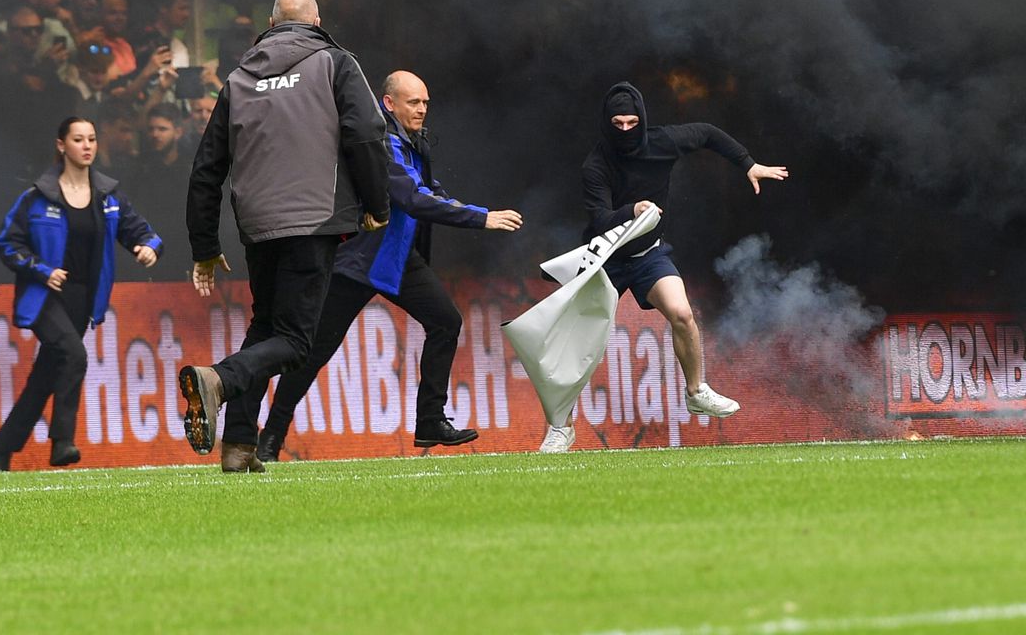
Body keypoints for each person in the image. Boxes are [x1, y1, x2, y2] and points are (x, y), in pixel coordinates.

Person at [256, 70, 524, 463]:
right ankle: (271, 433)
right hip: (358, 261)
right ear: (389, 103)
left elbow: (428, 192)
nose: (422, 109)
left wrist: (464, 208)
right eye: (413, 102)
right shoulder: (382, 140)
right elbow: (411, 199)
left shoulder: (414, 141)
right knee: (313, 352)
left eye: (425, 102)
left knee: (446, 321)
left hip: (397, 258)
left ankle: (430, 420)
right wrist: (479, 216)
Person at [181, 0, 390, 472]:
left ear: (272, 25)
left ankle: (237, 446)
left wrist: (205, 244)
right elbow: (366, 134)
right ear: (317, 22)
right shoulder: (336, 61)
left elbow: (207, 167)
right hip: (313, 219)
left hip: (257, 226)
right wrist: (376, 204)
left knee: (265, 327)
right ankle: (218, 380)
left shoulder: (237, 78)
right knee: (296, 343)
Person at [539, 81, 789, 454]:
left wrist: (748, 164)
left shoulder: (663, 142)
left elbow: (707, 133)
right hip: (604, 259)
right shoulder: (596, 164)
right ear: (608, 124)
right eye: (617, 124)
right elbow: (600, 218)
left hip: (648, 256)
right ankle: (561, 427)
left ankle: (696, 391)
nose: (625, 130)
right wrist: (634, 210)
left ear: (641, 119)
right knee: (577, 346)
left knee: (682, 313)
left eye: (631, 123)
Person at [0, 116, 161, 471]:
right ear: (61, 145)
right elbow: (7, 243)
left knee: (46, 376)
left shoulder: (108, 195)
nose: (87, 146)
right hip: (45, 297)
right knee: (74, 356)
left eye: (92, 139)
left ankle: (0, 449)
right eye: (78, 139)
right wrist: (42, 270)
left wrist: (148, 247)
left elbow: (141, 231)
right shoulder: (36, 197)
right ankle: (62, 441)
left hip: (84, 298)